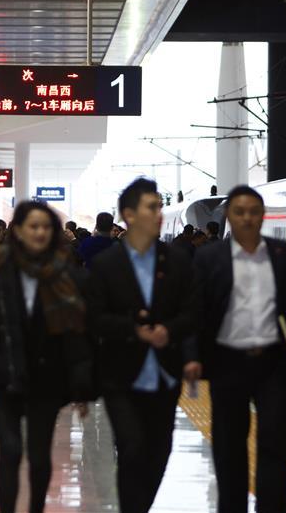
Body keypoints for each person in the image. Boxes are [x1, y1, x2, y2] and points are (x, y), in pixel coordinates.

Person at [0, 201, 93, 513]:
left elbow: (77, 335)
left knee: (40, 456)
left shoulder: (65, 274)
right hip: (3, 376)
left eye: (46, 227)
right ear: (18, 231)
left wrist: (82, 386)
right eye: (33, 226)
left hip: (47, 378)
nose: (40, 232)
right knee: (11, 450)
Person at [191, 185, 286, 513]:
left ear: (262, 216)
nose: (247, 218)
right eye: (239, 212)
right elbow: (195, 309)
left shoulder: (283, 254)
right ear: (229, 217)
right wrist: (191, 356)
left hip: (274, 362)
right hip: (226, 362)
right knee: (229, 446)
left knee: (274, 443)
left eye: (254, 212)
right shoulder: (209, 258)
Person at [86, 178, 196, 513]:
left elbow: (193, 312)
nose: (159, 214)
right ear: (129, 215)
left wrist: (170, 331)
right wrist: (135, 330)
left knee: (159, 452)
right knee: (132, 448)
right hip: (120, 375)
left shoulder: (177, 261)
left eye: (160, 207)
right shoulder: (106, 265)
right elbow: (94, 318)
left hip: (165, 375)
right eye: (152, 207)